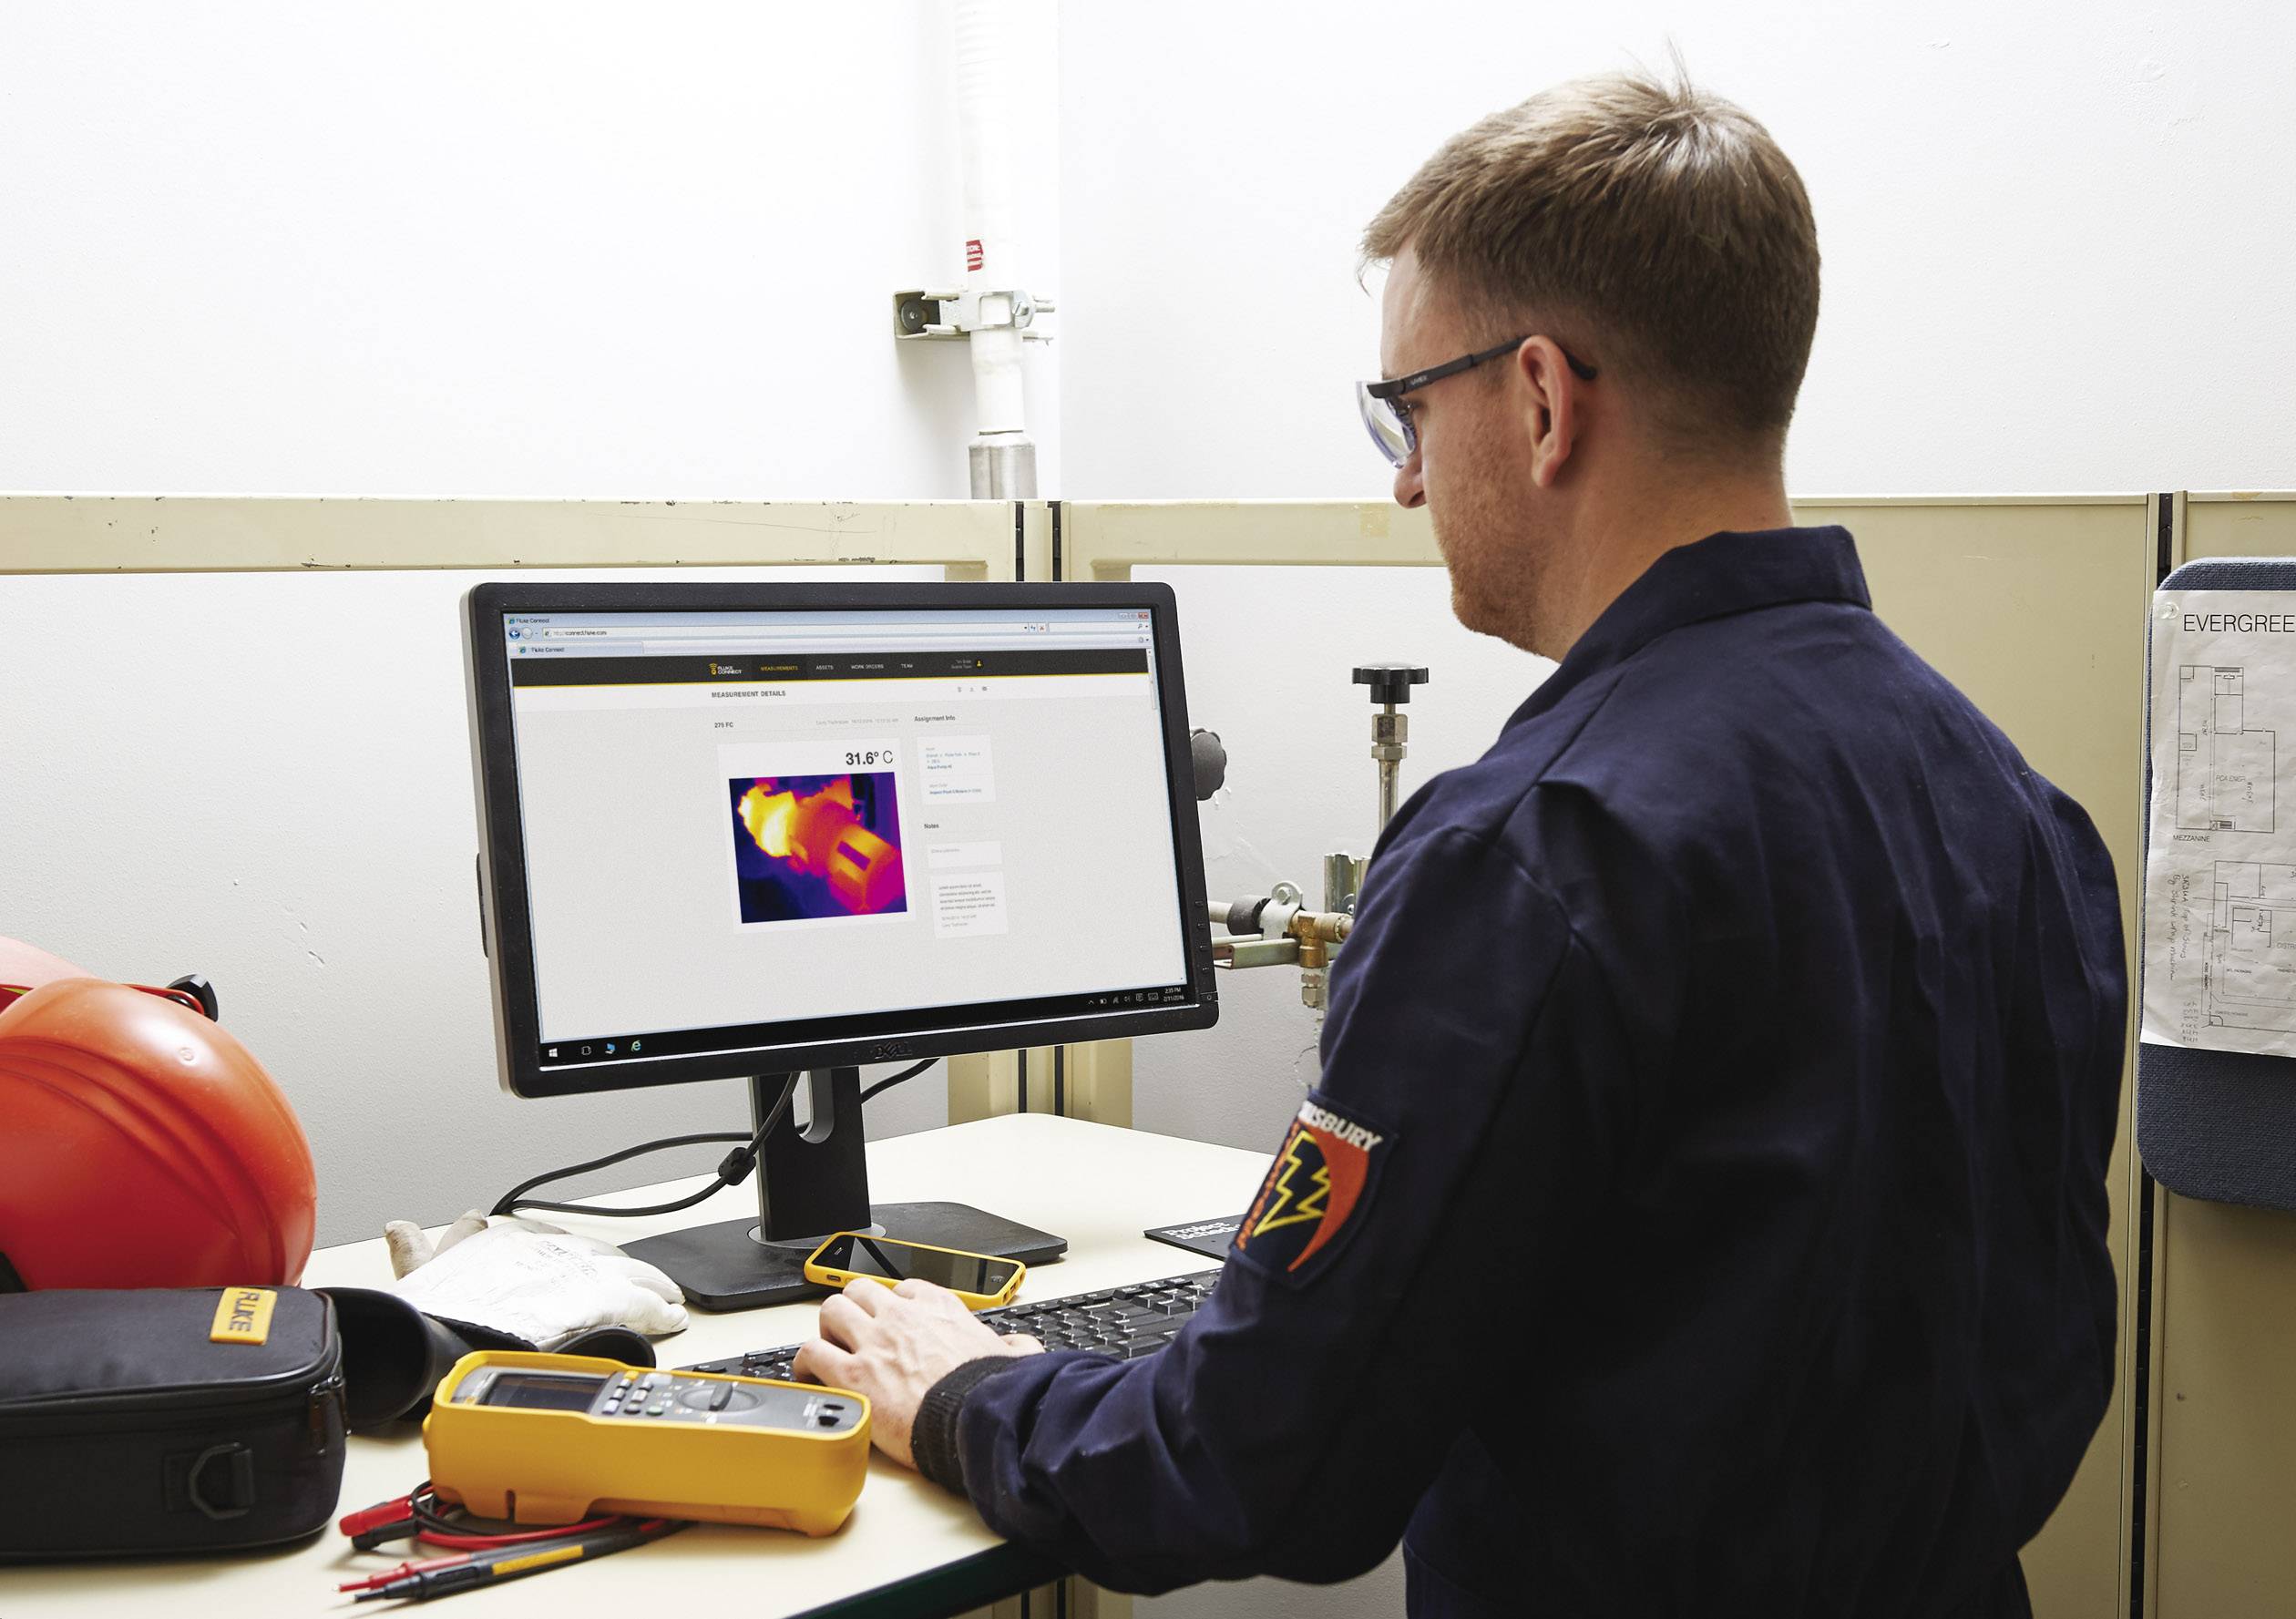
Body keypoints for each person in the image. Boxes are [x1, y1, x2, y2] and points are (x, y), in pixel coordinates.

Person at [793, 67, 2125, 1619]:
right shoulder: (2007, 800)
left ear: (1544, 400)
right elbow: (2046, 1360)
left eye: (1409, 410)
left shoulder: (1537, 853)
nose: (1411, 478)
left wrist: (963, 1391)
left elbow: (1259, 1462)